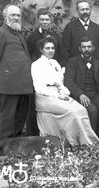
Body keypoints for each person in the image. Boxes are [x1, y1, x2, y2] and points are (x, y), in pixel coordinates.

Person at [31, 36, 99, 146]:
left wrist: (64, 92)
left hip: (59, 94)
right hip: (44, 97)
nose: (50, 51)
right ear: (41, 50)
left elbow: (61, 82)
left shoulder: (55, 63)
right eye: (47, 48)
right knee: (71, 112)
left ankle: (86, 141)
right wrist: (58, 96)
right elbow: (39, 87)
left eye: (52, 48)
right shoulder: (36, 65)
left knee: (81, 109)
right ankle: (74, 142)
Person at [0, 5, 33, 140]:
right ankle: (3, 147)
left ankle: (15, 144)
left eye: (18, 15)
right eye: (13, 15)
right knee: (8, 117)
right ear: (5, 16)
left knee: (20, 115)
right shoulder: (0, 33)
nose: (16, 18)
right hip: (9, 84)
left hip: (24, 83)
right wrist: (3, 74)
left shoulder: (18, 33)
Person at [64, 37, 99, 144]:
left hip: (95, 95)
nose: (86, 49)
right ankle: (91, 142)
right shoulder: (73, 62)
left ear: (93, 48)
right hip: (80, 95)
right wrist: (80, 94)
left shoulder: (98, 63)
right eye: (84, 47)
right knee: (92, 111)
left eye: (89, 46)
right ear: (80, 48)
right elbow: (69, 81)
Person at [26, 7, 66, 136]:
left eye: (47, 19)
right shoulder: (32, 37)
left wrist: (59, 71)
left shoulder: (56, 37)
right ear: (38, 20)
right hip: (37, 73)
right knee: (34, 102)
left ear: (50, 21)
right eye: (42, 19)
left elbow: (61, 55)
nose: (44, 22)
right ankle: (33, 133)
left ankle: (56, 133)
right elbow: (28, 55)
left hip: (52, 74)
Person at [62, 0, 99, 67]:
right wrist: (69, 66)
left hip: (95, 68)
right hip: (76, 67)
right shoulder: (70, 27)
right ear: (77, 11)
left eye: (87, 9)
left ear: (91, 10)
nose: (85, 12)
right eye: (82, 10)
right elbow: (65, 50)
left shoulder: (97, 28)